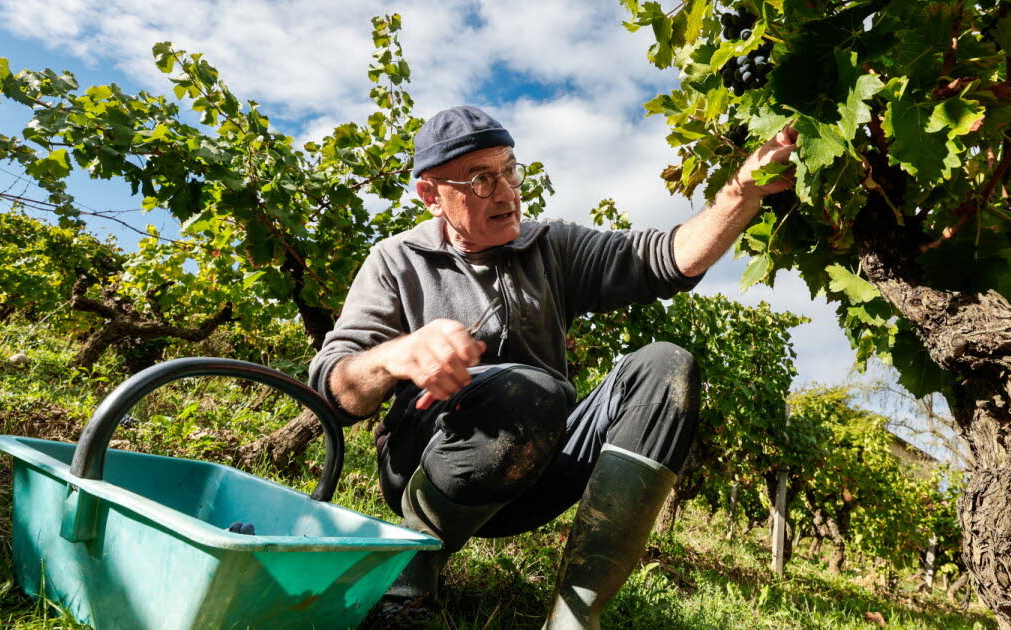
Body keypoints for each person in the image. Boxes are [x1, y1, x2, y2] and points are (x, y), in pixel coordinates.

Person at [308, 105, 796, 629]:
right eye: (479, 179)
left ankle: (573, 620)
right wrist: (396, 355)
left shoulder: (550, 246)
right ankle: (408, 583)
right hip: (427, 466)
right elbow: (335, 392)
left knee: (666, 368)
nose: (505, 192)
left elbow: (662, 260)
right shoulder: (395, 261)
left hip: (537, 468)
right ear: (431, 194)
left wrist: (742, 191)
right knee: (532, 392)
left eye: (509, 170)